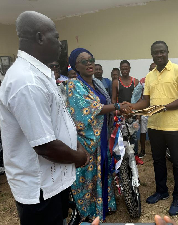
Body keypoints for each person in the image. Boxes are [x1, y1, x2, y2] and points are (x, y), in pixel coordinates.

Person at [0, 11, 89, 225]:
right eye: (56, 37)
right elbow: (45, 146)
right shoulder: (27, 81)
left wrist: (74, 143)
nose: (60, 44)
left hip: (54, 181)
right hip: (40, 188)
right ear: (40, 38)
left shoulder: (40, 74)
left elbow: (56, 122)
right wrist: (80, 157)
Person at [67, 48, 132, 223]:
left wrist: (118, 107)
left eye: (91, 60)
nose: (89, 64)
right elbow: (88, 110)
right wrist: (118, 106)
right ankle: (87, 210)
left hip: (102, 132)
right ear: (76, 66)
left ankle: (103, 205)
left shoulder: (98, 84)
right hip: (87, 137)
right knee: (88, 173)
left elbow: (108, 104)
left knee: (103, 166)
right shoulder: (74, 85)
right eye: (83, 61)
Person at [131, 41, 178, 216]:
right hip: (154, 125)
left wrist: (164, 107)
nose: (159, 55)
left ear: (167, 52)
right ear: (152, 55)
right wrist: (132, 107)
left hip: (174, 126)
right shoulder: (149, 76)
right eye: (155, 53)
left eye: (162, 52)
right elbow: (146, 101)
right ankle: (161, 191)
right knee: (158, 160)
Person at [112, 60, 144, 165]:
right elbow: (113, 100)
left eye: (126, 68)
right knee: (121, 136)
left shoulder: (135, 81)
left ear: (129, 69)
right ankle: (122, 156)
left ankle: (134, 156)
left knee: (134, 136)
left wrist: (137, 114)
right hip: (121, 114)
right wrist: (117, 112)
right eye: (122, 68)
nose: (124, 70)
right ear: (120, 69)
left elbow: (139, 99)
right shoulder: (116, 82)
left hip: (132, 114)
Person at [138, 62, 156, 158]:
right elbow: (140, 96)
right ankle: (143, 150)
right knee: (143, 131)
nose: (153, 70)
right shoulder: (143, 81)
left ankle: (156, 150)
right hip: (145, 110)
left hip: (156, 110)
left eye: (155, 68)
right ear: (149, 69)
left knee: (156, 132)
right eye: (151, 68)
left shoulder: (161, 80)